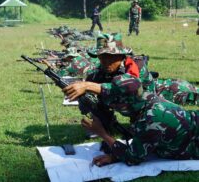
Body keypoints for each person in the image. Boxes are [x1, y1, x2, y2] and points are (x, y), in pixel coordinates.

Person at [62, 35, 199, 166]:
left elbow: (132, 158)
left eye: (115, 102)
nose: (106, 61)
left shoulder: (151, 120)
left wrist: (102, 134)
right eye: (102, 56)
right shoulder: (149, 104)